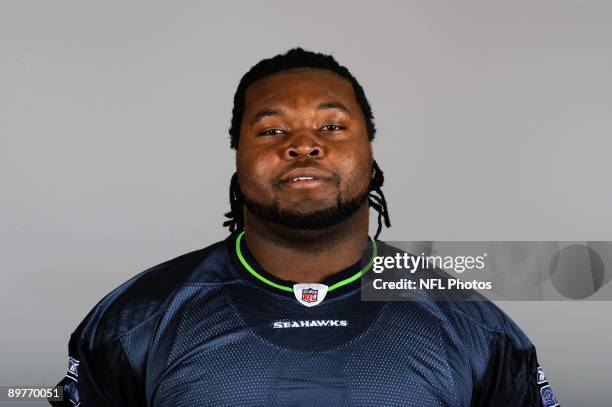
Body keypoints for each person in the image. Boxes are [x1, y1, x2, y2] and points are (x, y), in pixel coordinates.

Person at [50, 48, 560, 406]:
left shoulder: (473, 325)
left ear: (370, 151)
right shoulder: (135, 321)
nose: (303, 145)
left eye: (332, 126)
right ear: (238, 156)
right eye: (272, 129)